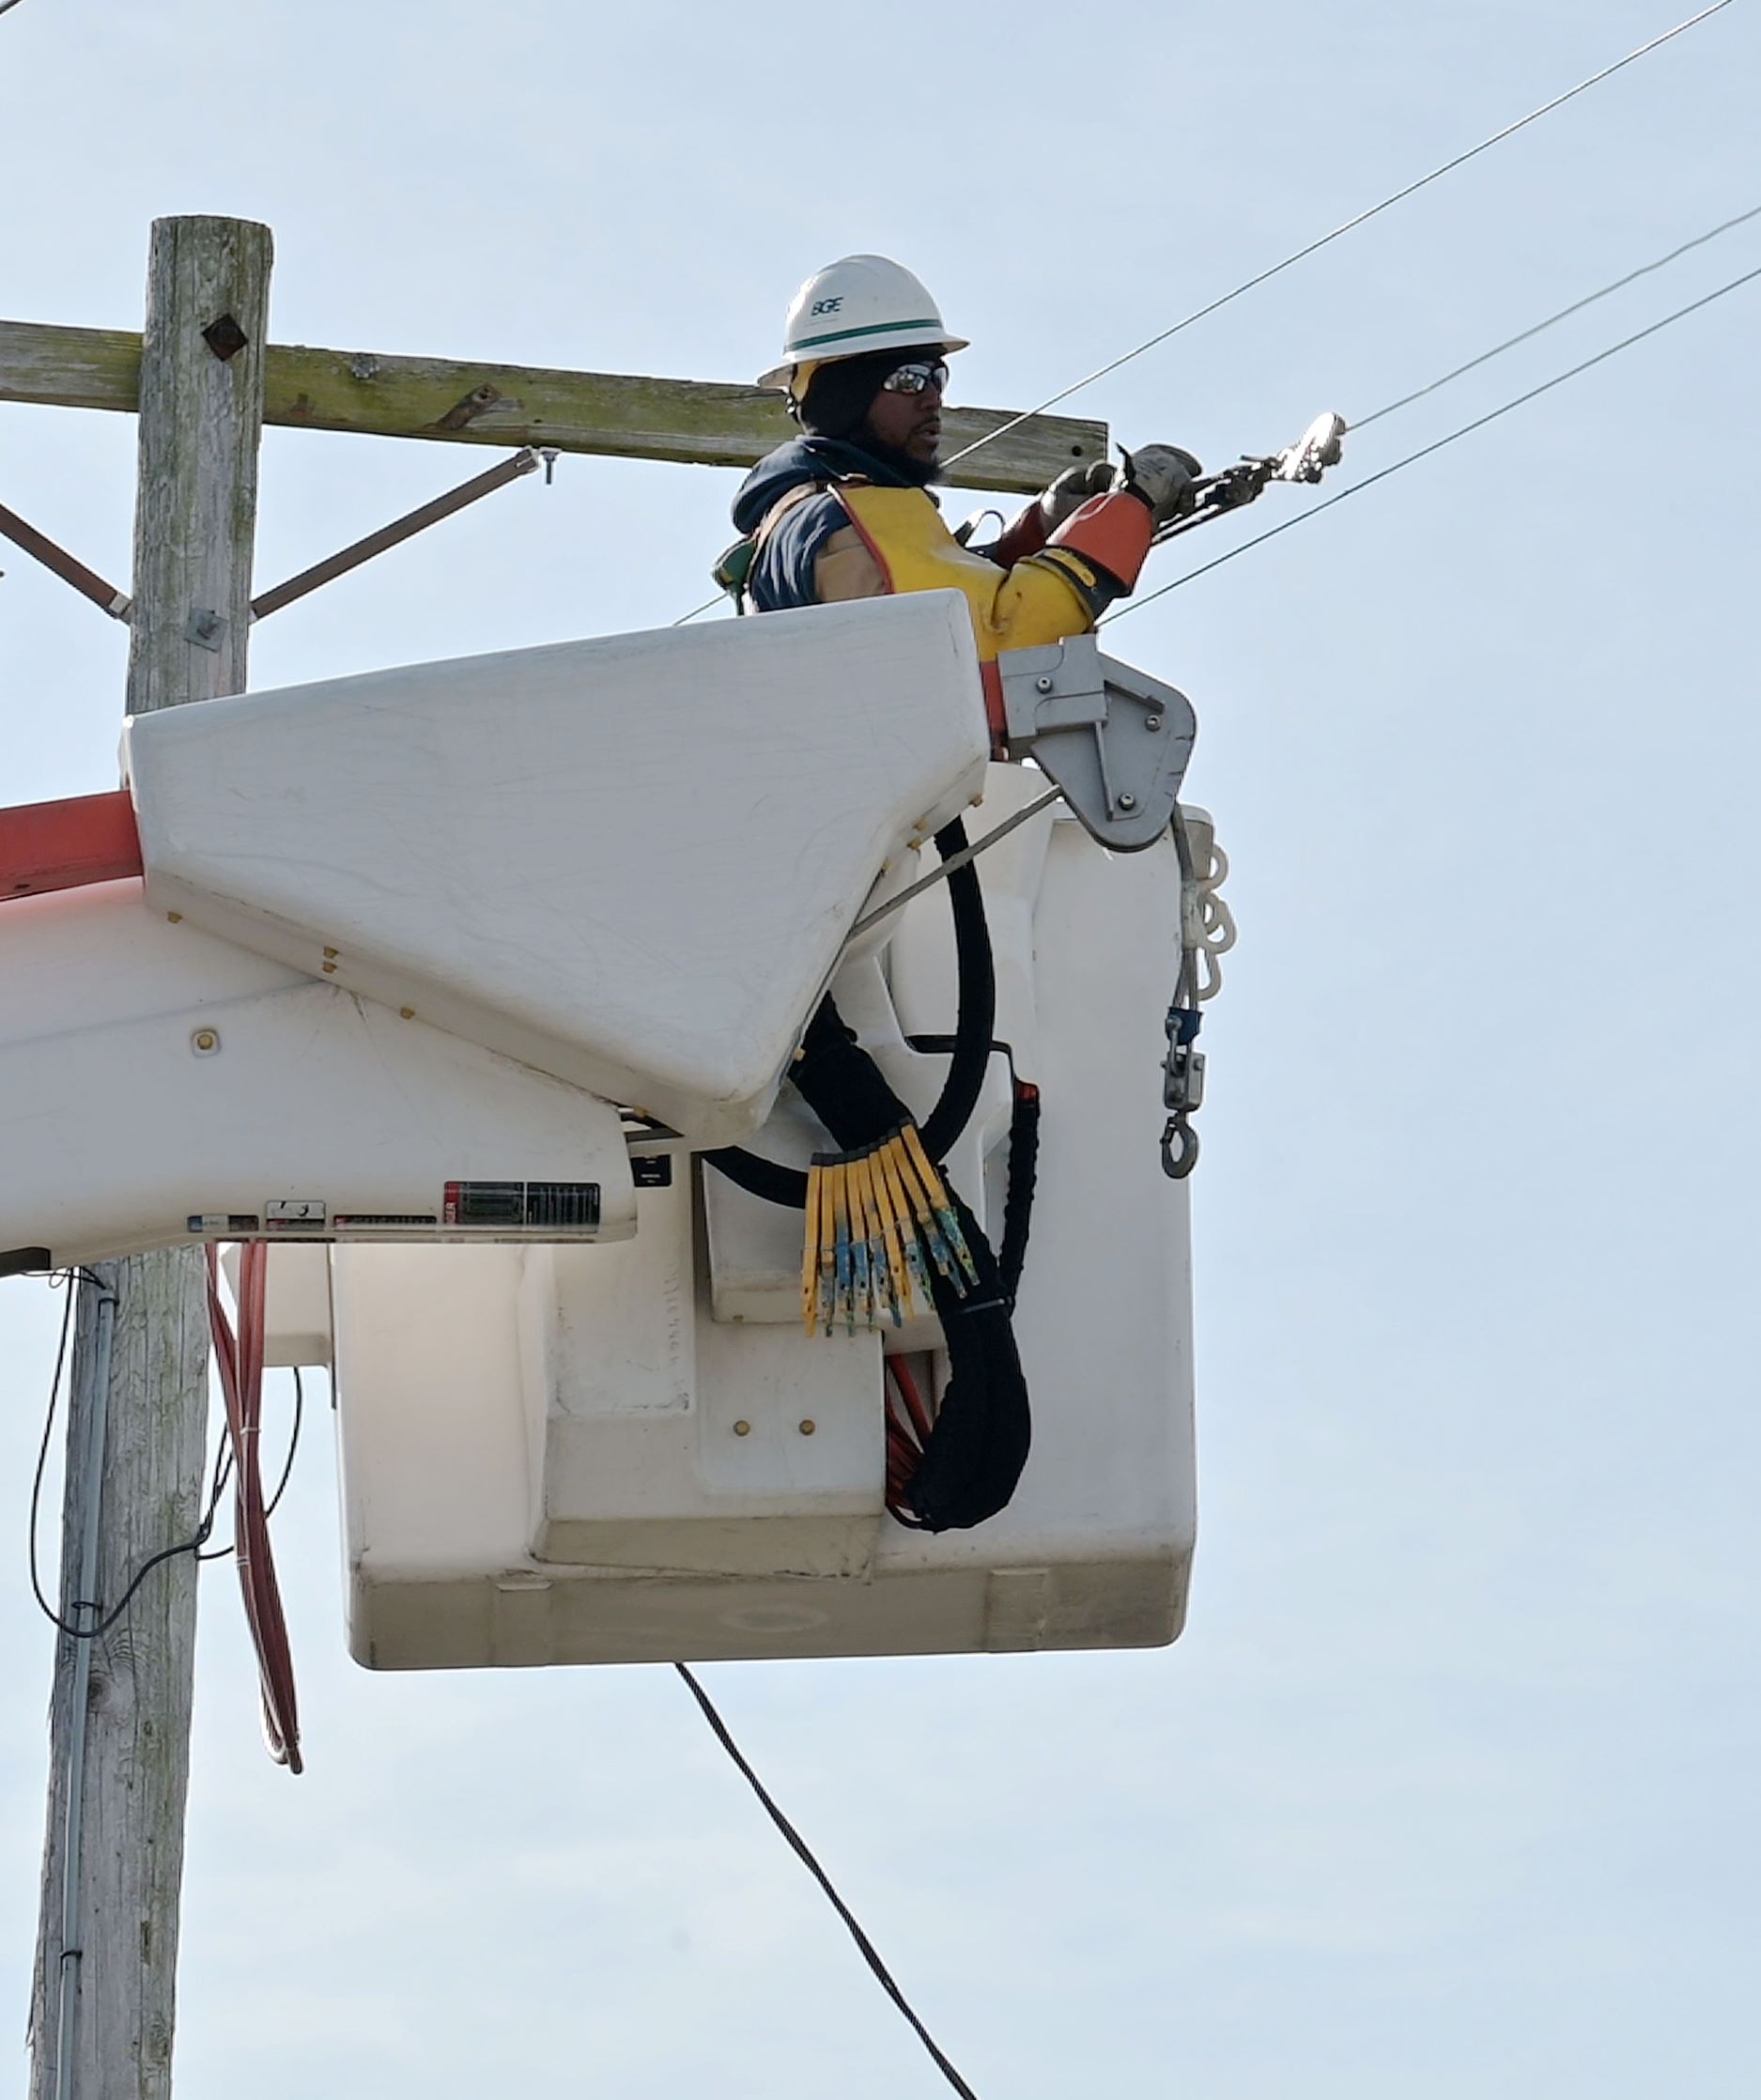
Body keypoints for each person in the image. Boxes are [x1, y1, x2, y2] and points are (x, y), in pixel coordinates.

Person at [730, 255, 1199, 722]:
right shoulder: (843, 518)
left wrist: (1037, 532)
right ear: (845, 397)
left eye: (937, 377)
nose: (933, 399)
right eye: (908, 379)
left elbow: (946, 605)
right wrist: (1124, 517)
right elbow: (996, 650)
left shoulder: (811, 513)